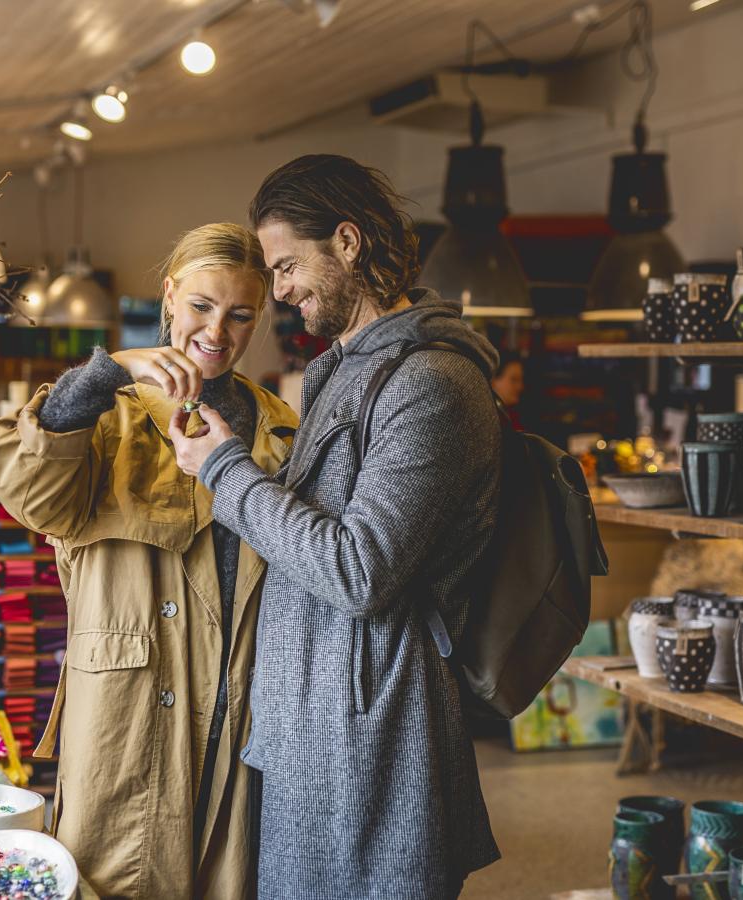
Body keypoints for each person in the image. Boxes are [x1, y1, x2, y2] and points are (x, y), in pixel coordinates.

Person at [169, 155, 501, 899]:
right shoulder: (340, 369)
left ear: (347, 243)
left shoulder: (433, 383)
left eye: (288, 266)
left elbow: (360, 571)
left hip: (374, 734)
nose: (279, 290)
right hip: (310, 727)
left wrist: (224, 468)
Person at [0, 223, 298, 900]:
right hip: (131, 705)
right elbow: (28, 489)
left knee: (232, 876)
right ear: (169, 297)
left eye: (241, 314)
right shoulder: (108, 413)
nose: (217, 331)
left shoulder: (280, 427)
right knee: (120, 874)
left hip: (241, 702)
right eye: (202, 307)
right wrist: (111, 369)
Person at [490, 349, 525, 430]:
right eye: (514, 379)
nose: (520, 387)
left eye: (520, 380)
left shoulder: (513, 416)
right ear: (494, 381)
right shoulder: (489, 419)